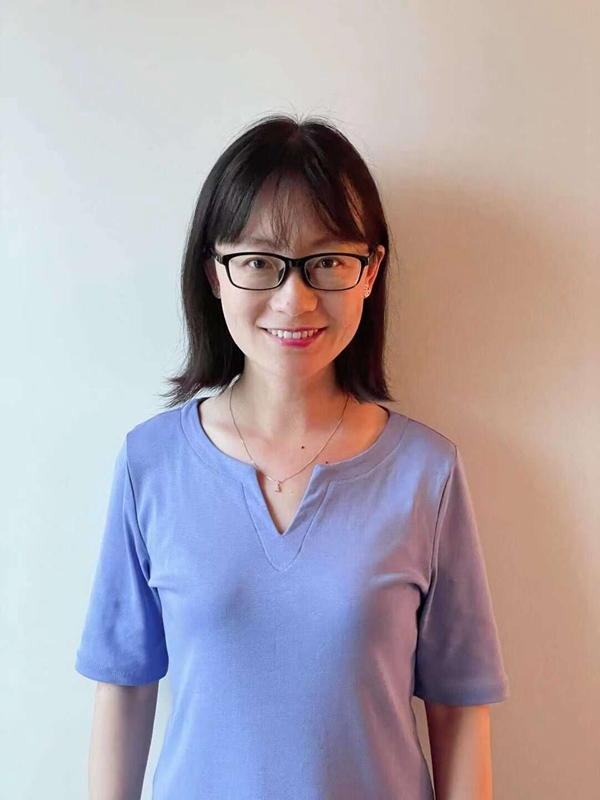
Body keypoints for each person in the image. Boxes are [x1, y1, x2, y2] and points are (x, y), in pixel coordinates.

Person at [74, 112, 510, 800]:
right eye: (259, 262)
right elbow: (124, 690)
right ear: (215, 274)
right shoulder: (149, 465)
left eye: (328, 261)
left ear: (370, 272)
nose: (294, 298)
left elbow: (459, 709)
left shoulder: (426, 473)